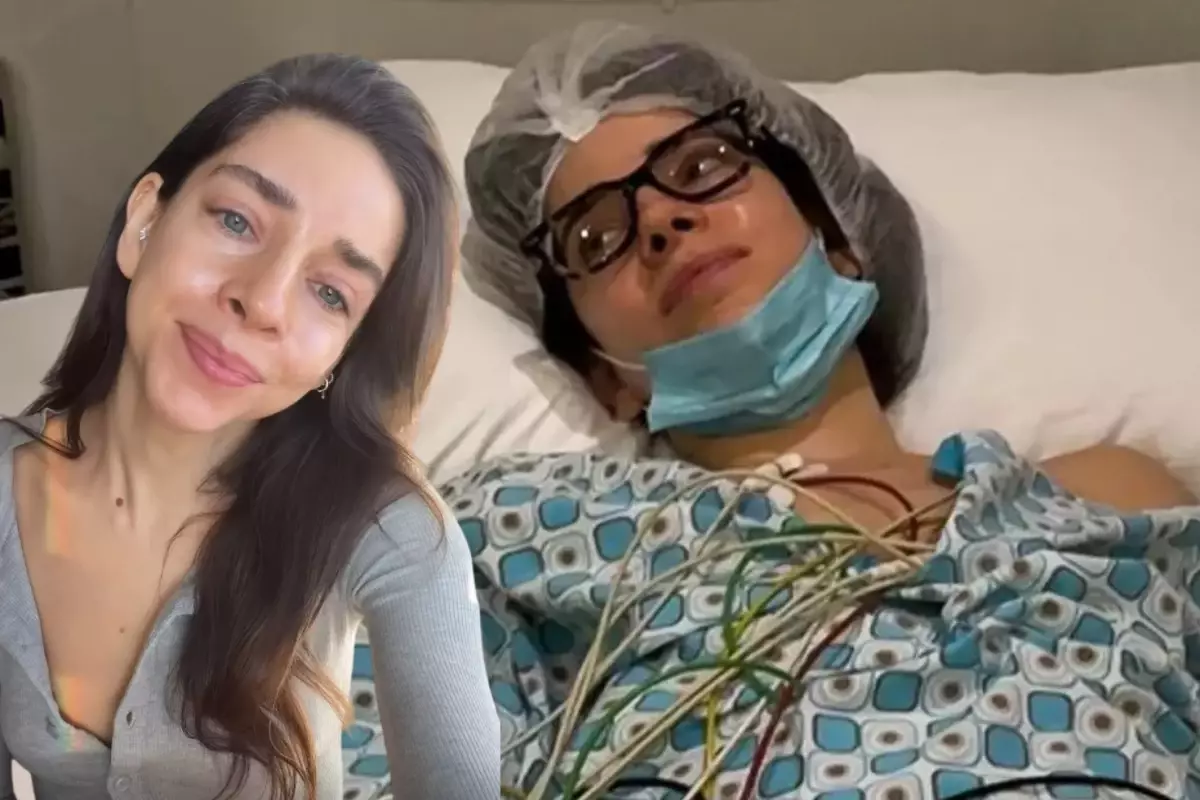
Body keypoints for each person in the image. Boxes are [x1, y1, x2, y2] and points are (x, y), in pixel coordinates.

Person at [451, 21, 1200, 799]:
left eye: (701, 166)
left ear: (838, 241)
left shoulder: (1111, 500)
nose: (660, 220)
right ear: (606, 379)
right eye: (595, 236)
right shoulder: (516, 532)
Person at [0, 55, 499, 799]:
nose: (262, 301)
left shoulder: (390, 530)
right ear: (144, 222)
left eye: (330, 293)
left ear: (342, 355)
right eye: (237, 221)